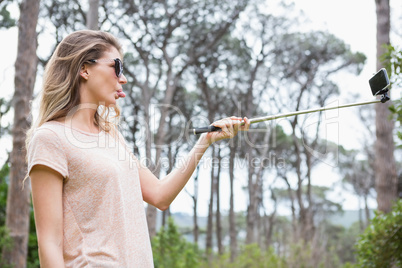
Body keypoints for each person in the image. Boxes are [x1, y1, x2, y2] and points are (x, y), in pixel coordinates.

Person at [26, 29, 250, 267]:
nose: (123, 79)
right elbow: (49, 243)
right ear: (84, 69)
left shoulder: (111, 135)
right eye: (117, 67)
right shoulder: (50, 138)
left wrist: (204, 142)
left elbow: (160, 196)